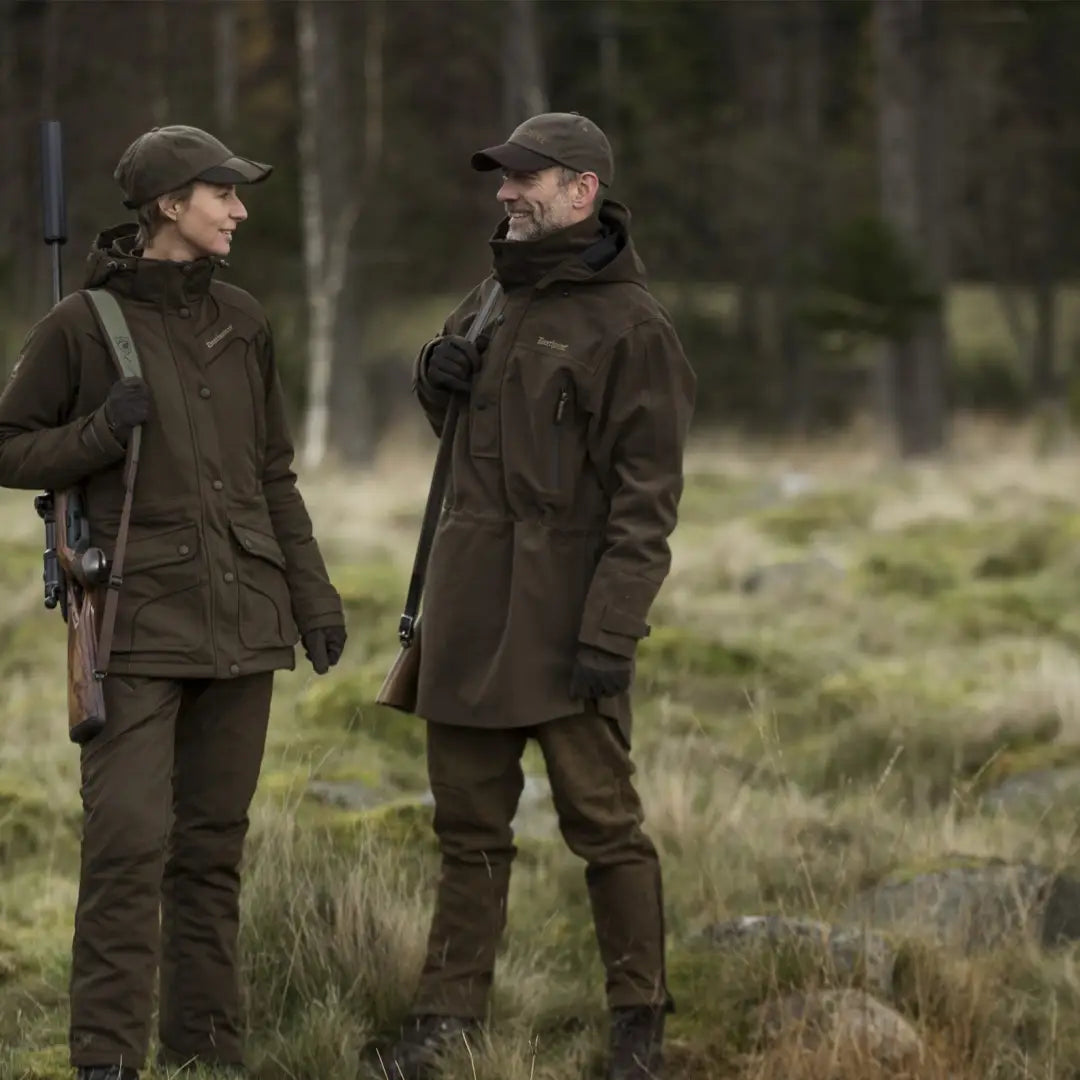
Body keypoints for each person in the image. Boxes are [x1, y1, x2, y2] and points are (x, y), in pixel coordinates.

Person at [0, 125, 347, 1080]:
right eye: (222, 194)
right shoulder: (81, 325)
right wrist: (98, 435)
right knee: (126, 847)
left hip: (247, 621)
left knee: (211, 855)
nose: (238, 209)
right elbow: (8, 445)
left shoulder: (244, 319)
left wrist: (312, 597)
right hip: (132, 627)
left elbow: (272, 472)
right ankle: (106, 1062)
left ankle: (205, 1057)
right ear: (168, 207)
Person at [385, 112, 696, 1080]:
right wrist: (434, 382)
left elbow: (648, 508)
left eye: (528, 178)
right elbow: (476, 441)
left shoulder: (634, 329)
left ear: (582, 193)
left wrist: (611, 632)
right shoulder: (490, 297)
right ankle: (447, 1023)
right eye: (503, 178)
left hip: (570, 625)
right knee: (467, 831)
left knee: (607, 832)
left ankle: (639, 1028)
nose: (506, 193)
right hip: (470, 610)